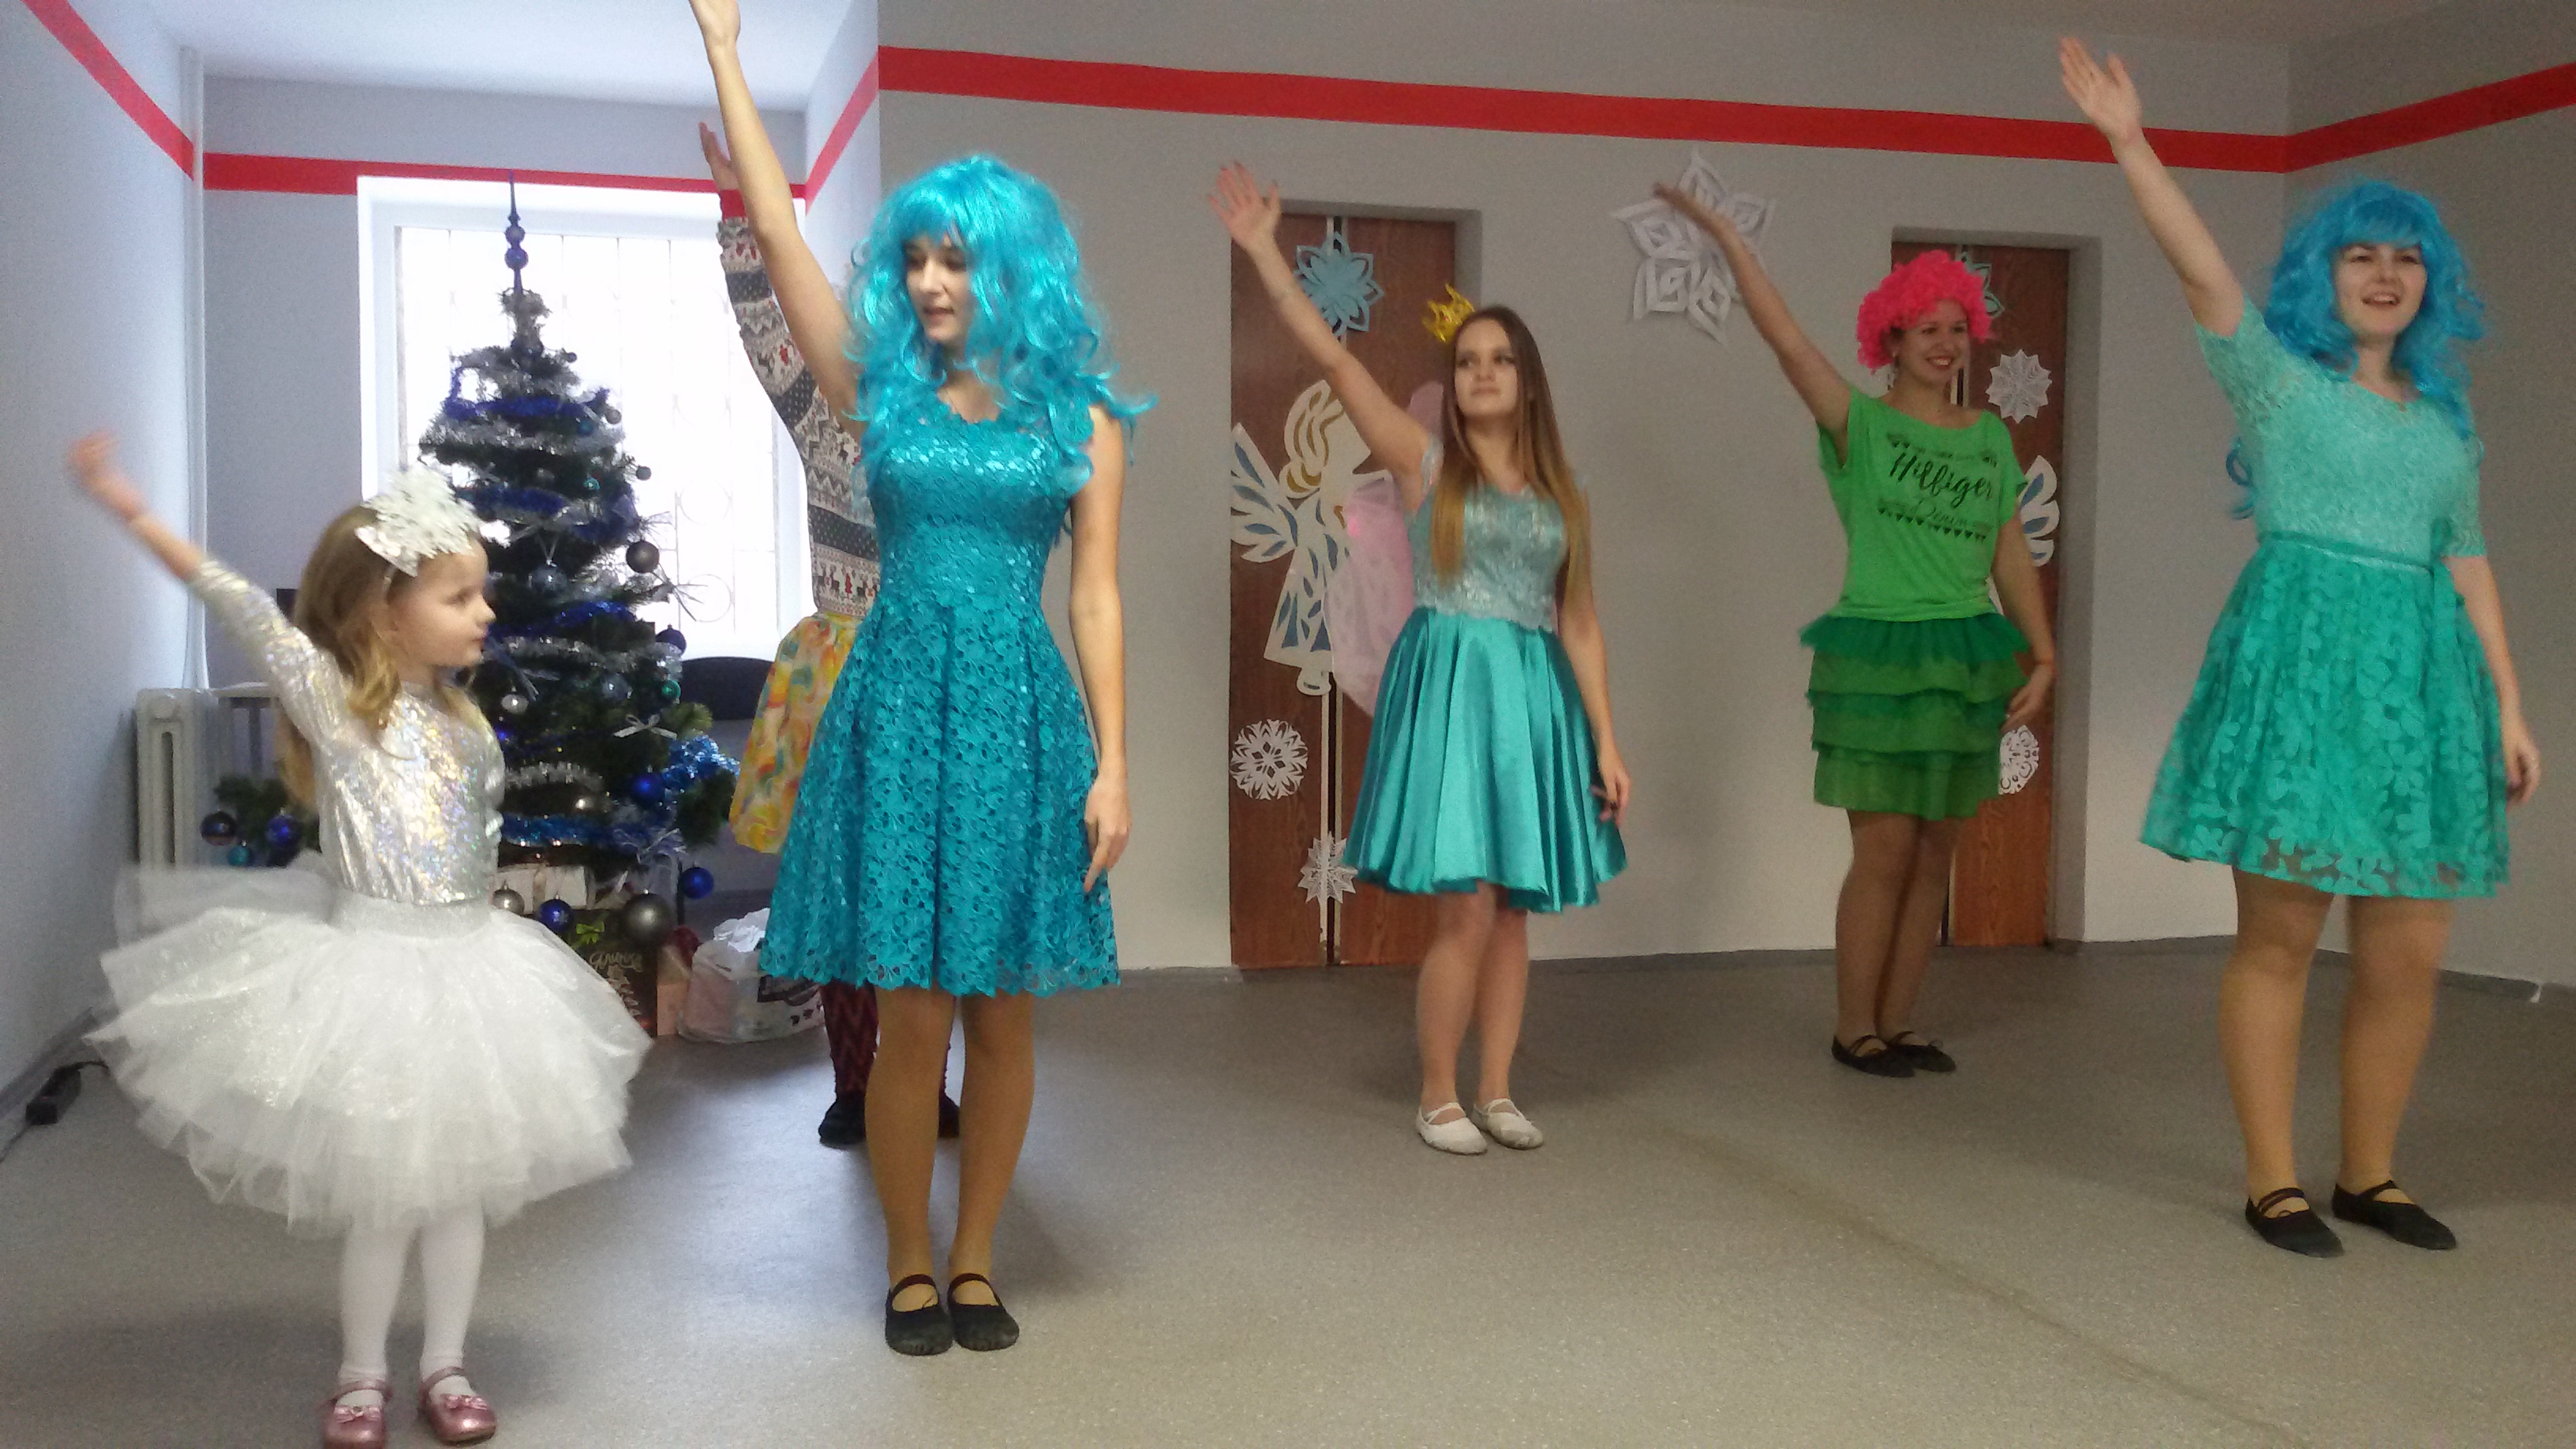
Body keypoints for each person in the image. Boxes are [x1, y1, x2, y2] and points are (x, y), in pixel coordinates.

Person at [692, 0, 1143, 1354]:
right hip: (895, 713)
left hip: (1020, 717)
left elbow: (1097, 595)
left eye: (958, 259)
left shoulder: (1084, 419)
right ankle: (904, 1262)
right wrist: (726, 54)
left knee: (1003, 1018)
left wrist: (1116, 763)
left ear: (1012, 269)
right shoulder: (878, 391)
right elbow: (784, 247)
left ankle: (977, 1259)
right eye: (918, 260)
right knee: (910, 1019)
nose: (933, 283)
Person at [72, 437, 647, 1447]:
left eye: (481, 593)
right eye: (459, 596)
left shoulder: (468, 723)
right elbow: (242, 605)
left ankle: (446, 1365)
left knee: (458, 1190)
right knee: (386, 1197)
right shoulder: (338, 707)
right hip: (373, 972)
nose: (485, 612)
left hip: (471, 969)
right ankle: (361, 1375)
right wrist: (132, 509)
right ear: (385, 612)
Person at [2063, 39, 2540, 1256]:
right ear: (2323, 276)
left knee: (2408, 952)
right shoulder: (2277, 383)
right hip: (2304, 670)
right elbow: (2197, 264)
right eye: (2360, 254)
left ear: (2431, 281)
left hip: (2421, 691)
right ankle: (2272, 1180)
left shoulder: (2444, 424)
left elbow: (2468, 557)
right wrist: (2131, 142)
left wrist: (2507, 701)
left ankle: (2370, 1174)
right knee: (2279, 939)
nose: (2385, 275)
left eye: (2406, 257)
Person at [1211, 164, 1629, 1156]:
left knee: (1515, 912)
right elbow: (1334, 359)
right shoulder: (1420, 460)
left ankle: (1498, 1090)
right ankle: (1438, 1093)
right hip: (1451, 687)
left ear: (1527, 379)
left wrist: (1607, 742)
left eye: (1501, 359)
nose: (1482, 373)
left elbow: (1580, 623)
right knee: (1468, 908)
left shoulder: (1564, 494)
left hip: (1533, 700)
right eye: (1468, 359)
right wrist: (1266, 253)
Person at [1657, 187, 2055, 1081]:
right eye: (1927, 329)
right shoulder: (1860, 425)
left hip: (1966, 656)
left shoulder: (1989, 437)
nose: (1946, 343)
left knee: (1935, 853)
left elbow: (2009, 547)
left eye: (1957, 328)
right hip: (1878, 656)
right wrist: (1728, 239)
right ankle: (1854, 1028)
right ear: (1893, 340)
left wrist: (2044, 651)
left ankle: (1900, 1021)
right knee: (1883, 850)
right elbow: (1788, 342)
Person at [698, 124, 957, 1148]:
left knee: (929, 895)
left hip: (935, 676)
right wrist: (739, 216)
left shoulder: (966, 431)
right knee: (850, 895)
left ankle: (925, 1081)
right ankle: (856, 1084)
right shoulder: (825, 420)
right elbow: (765, 328)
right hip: (842, 675)